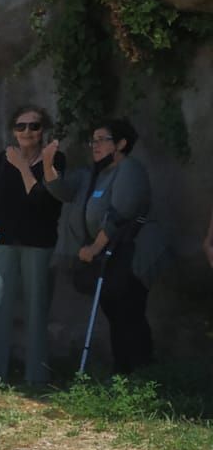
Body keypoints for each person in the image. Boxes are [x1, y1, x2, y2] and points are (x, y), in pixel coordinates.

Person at [39, 117, 167, 374]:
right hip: (110, 255)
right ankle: (124, 373)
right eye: (93, 140)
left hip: (132, 253)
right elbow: (61, 190)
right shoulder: (92, 174)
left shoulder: (129, 168)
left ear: (121, 143)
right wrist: (47, 163)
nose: (95, 145)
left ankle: (141, 372)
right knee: (114, 311)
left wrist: (94, 248)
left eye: (102, 140)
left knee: (129, 311)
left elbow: (121, 212)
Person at [0, 105, 65, 384]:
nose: (27, 131)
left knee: (36, 309)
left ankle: (36, 376)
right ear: (13, 130)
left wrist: (21, 166)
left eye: (34, 126)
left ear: (43, 130)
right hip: (2, 241)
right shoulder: (3, 159)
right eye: (21, 126)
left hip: (38, 243)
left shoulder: (55, 159)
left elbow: (42, 199)